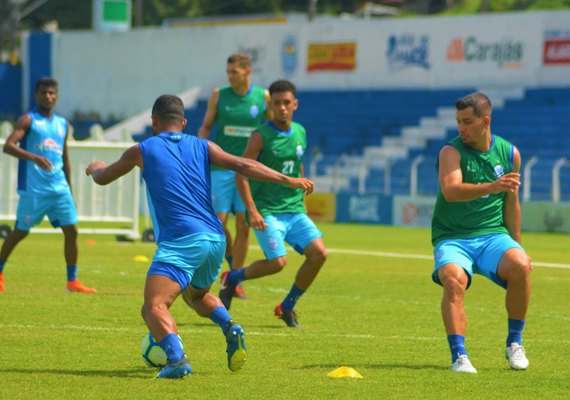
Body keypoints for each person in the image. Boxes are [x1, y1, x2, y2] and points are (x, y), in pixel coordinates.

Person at [85, 94, 313, 378]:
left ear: (153, 122)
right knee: (195, 297)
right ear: (183, 122)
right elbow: (244, 165)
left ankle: (177, 361)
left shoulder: (141, 149)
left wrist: (94, 168)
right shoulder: (204, 146)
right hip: (215, 239)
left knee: (154, 306)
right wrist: (288, 179)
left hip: (181, 240)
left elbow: (105, 176)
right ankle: (231, 326)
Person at [431, 92, 532, 373]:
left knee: (522, 266)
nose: (460, 128)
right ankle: (459, 356)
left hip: (492, 235)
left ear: (484, 121)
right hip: (453, 238)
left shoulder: (510, 153)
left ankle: (514, 343)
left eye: (466, 121)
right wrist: (491, 186)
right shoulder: (450, 152)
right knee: (453, 281)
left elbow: (512, 204)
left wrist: (518, 245)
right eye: (458, 122)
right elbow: (450, 192)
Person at [219, 80, 327, 328]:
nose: (282, 108)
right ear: (270, 105)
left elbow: (296, 164)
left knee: (319, 254)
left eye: (287, 103)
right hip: (267, 212)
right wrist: (252, 211)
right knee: (278, 263)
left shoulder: (300, 131)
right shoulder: (260, 136)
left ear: (295, 104)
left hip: (294, 210)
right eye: (277, 103)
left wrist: (301, 192)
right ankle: (233, 276)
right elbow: (241, 174)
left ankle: (287, 306)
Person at [0, 77, 96, 294]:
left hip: (59, 188)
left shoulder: (62, 124)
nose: (48, 96)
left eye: (52, 93)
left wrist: (69, 190)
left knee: (71, 231)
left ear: (57, 95)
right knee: (19, 232)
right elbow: (8, 146)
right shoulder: (28, 120)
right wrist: (34, 158)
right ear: (36, 95)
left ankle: (72, 282)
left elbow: (65, 159)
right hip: (34, 190)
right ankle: (0, 272)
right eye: (44, 93)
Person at [198, 53, 271, 299]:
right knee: (218, 223)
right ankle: (228, 263)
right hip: (221, 168)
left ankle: (235, 278)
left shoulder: (263, 97)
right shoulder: (220, 95)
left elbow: (271, 130)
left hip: (248, 170)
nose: (230, 76)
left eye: (235, 72)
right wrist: (200, 149)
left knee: (243, 223)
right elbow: (207, 125)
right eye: (228, 72)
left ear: (247, 71)